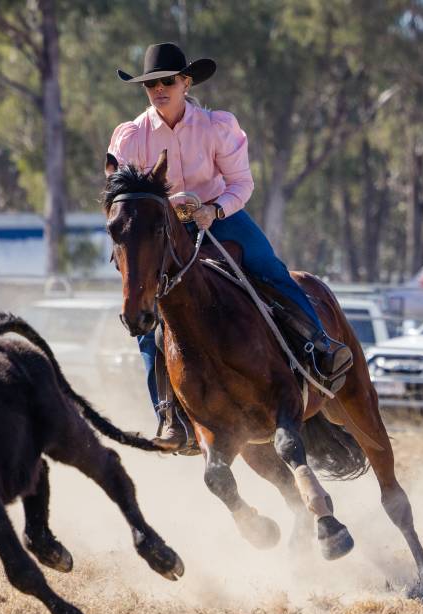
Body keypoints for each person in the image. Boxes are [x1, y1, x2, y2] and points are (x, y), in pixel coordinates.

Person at [107, 42, 352, 450]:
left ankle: (318, 347)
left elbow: (242, 183)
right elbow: (118, 192)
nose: (159, 90)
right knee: (147, 313)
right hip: (163, 230)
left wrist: (211, 211)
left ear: (186, 82)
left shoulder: (216, 126)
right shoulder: (130, 136)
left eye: (167, 81)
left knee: (269, 269)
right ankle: (169, 416)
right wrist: (162, 211)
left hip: (221, 216)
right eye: (150, 85)